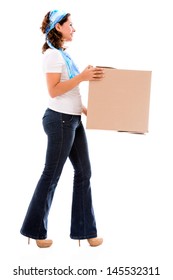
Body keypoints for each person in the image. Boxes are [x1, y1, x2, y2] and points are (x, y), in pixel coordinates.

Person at [20, 9, 104, 248]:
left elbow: (70, 91)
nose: (73, 29)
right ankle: (35, 231)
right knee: (51, 175)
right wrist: (83, 77)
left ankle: (85, 231)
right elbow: (54, 91)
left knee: (84, 173)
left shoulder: (62, 55)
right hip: (60, 121)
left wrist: (87, 110)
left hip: (73, 120)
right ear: (58, 27)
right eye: (70, 25)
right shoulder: (52, 56)